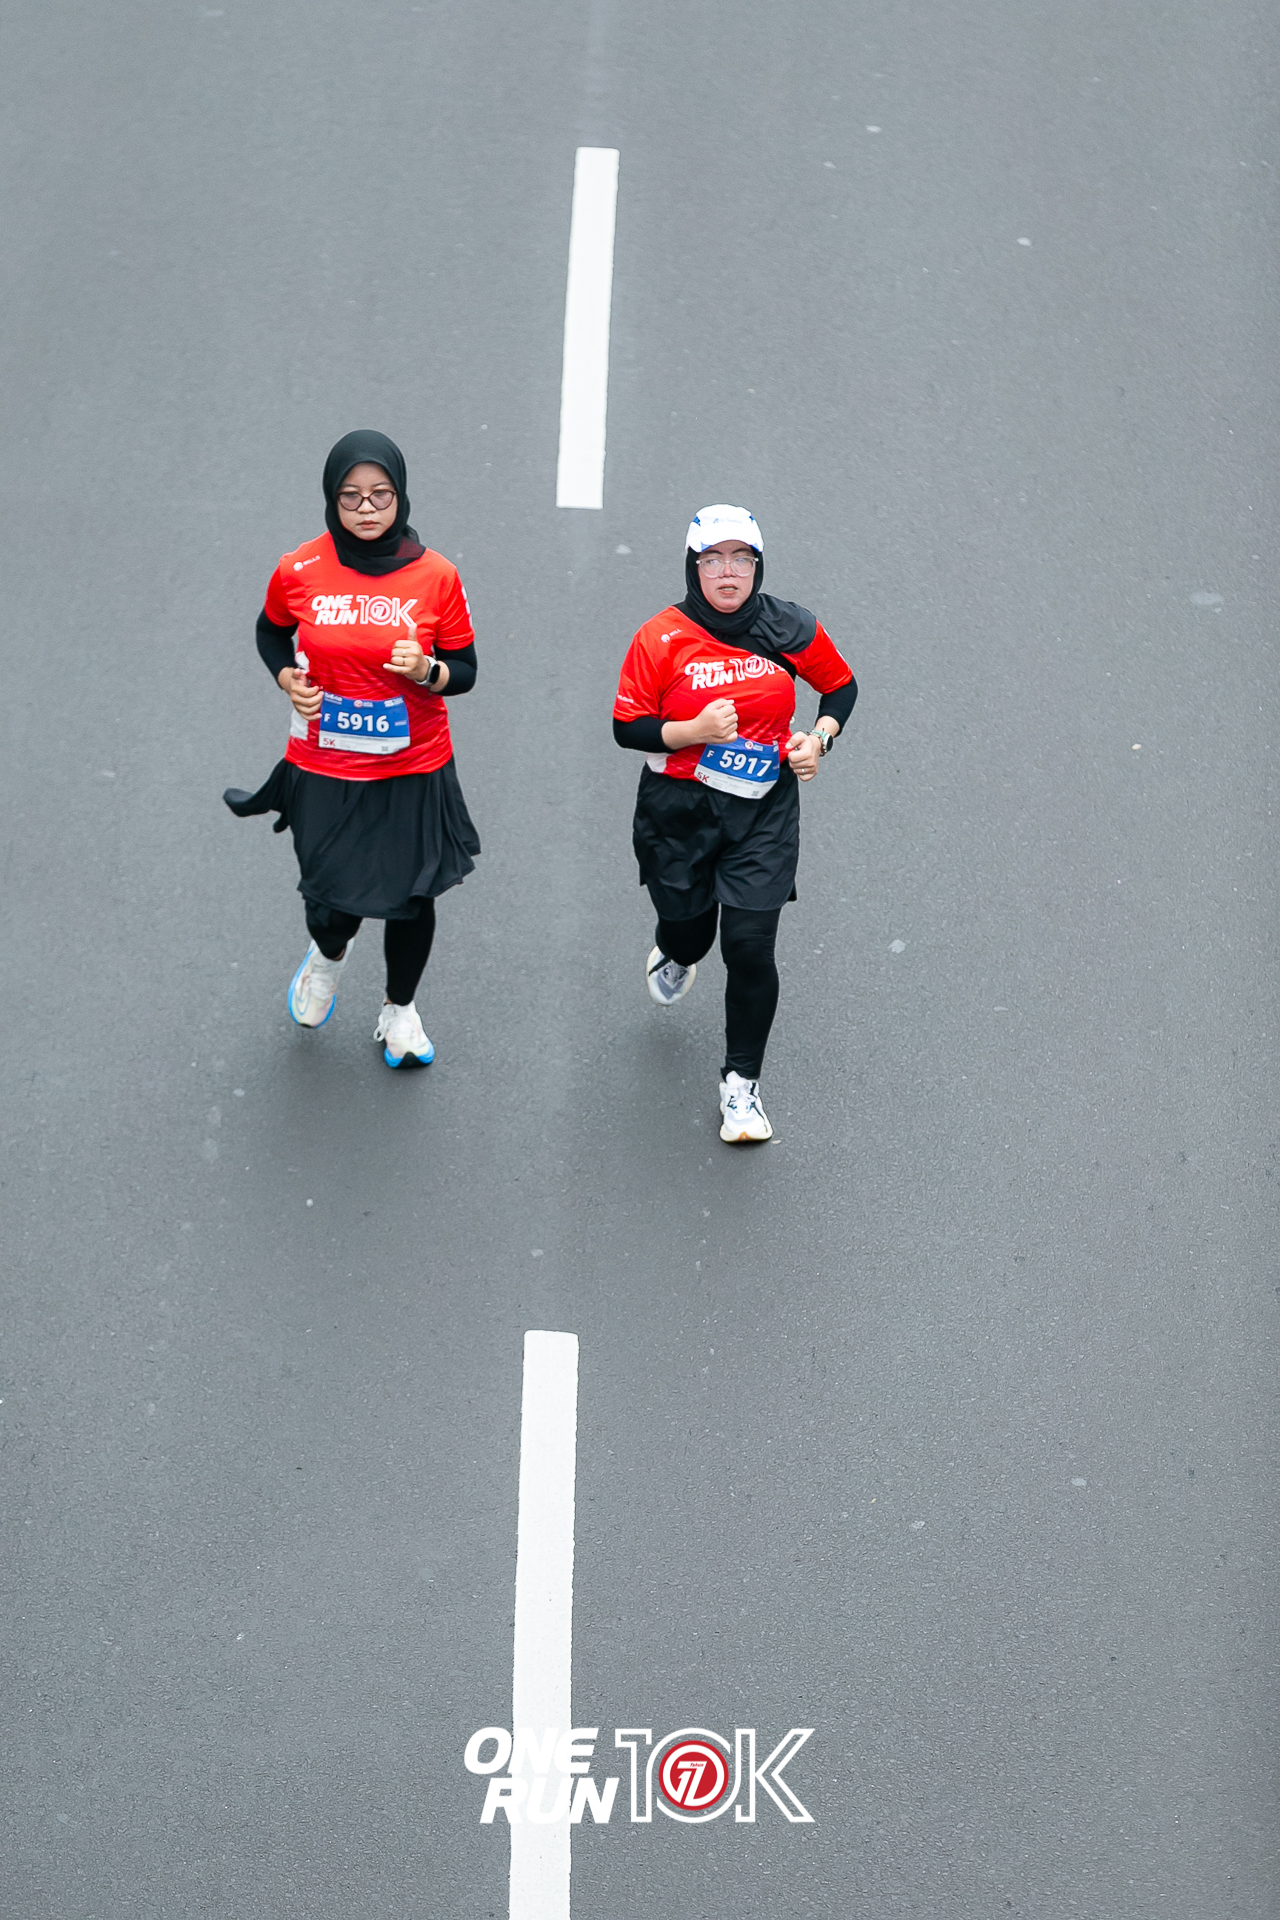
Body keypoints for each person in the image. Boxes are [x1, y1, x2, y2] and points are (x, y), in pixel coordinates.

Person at [223, 429, 479, 1067]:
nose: (367, 508)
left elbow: (465, 670)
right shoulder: (299, 569)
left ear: (401, 495)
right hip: (325, 762)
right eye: (351, 496)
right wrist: (286, 677)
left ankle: (400, 1010)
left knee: (412, 898)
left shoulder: (437, 576)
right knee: (329, 904)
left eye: (381, 494)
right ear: (331, 499)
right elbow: (271, 633)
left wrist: (427, 671)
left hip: (413, 763)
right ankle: (327, 957)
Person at [612, 504, 857, 1142]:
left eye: (741, 559)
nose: (728, 572)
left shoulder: (789, 626)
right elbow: (626, 726)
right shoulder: (660, 638)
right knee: (691, 936)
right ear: (693, 568)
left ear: (757, 566)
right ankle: (676, 951)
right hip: (678, 811)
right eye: (713, 560)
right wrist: (691, 730)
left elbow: (841, 687)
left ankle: (741, 1086)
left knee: (749, 945)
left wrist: (819, 740)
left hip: (762, 809)